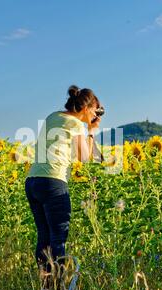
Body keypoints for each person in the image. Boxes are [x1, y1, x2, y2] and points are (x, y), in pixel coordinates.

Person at [25, 85, 102, 278]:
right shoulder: (75, 124)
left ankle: (45, 286)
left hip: (33, 181)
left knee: (44, 236)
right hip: (53, 182)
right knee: (58, 239)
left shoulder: (53, 116)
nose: (95, 114)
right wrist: (91, 131)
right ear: (86, 108)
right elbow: (84, 157)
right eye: (95, 109)